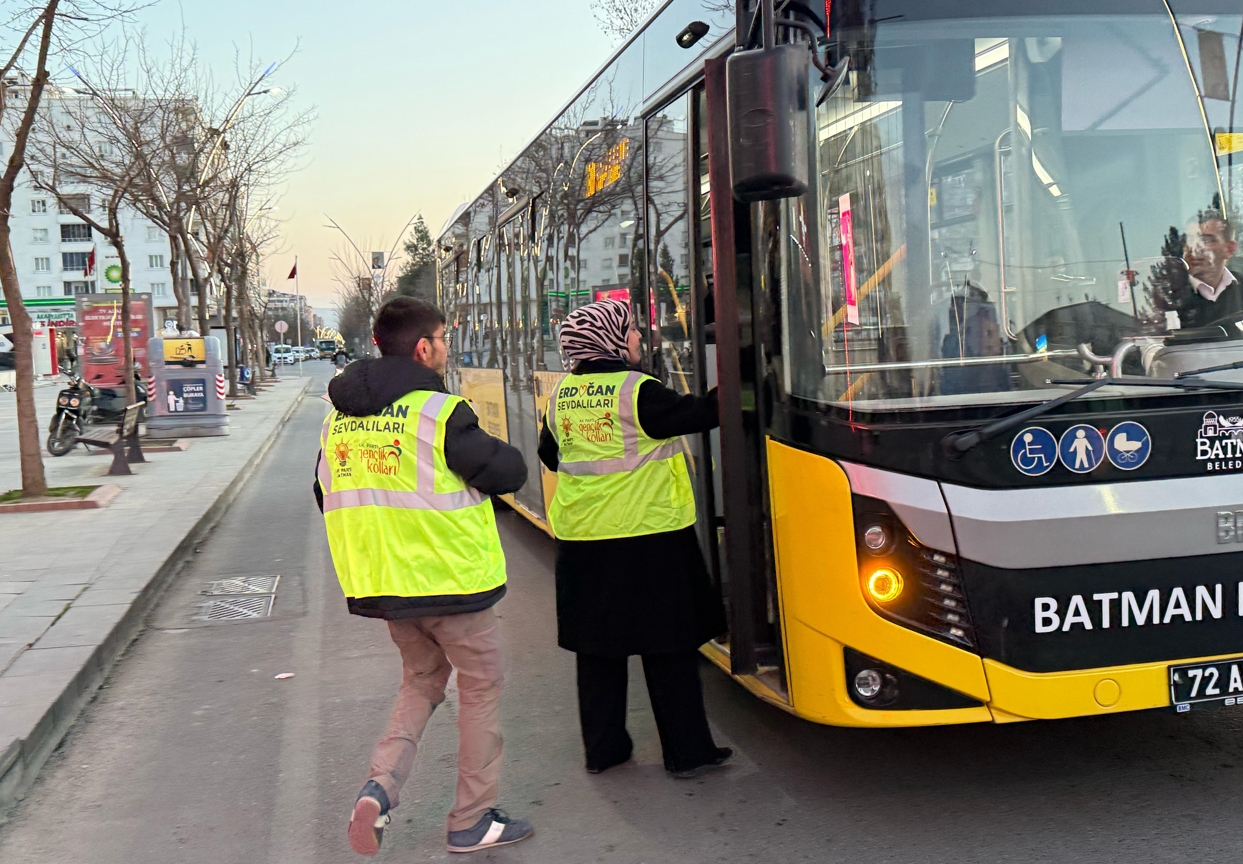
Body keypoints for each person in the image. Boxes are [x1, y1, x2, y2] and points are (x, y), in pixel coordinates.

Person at [314, 296, 534, 856]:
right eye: (442, 340)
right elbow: (509, 471)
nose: (445, 349)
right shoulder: (440, 412)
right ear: (422, 348)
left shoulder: (337, 421)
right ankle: (472, 819)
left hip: (388, 590)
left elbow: (324, 492)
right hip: (455, 585)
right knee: (479, 689)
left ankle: (378, 789)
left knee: (420, 682)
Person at [537, 299, 731, 779]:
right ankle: (689, 753)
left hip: (584, 541)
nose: (640, 341)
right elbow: (704, 413)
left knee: (598, 651)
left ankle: (605, 751)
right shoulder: (637, 391)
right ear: (614, 340)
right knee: (668, 648)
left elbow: (549, 455)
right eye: (634, 333)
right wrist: (749, 377)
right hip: (649, 539)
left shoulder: (561, 397)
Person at [1169, 208, 1243, 328]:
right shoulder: (1169, 293)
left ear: (1229, 249)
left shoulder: (1240, 289)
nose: (1194, 248)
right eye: (1189, 239)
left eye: (1205, 240)